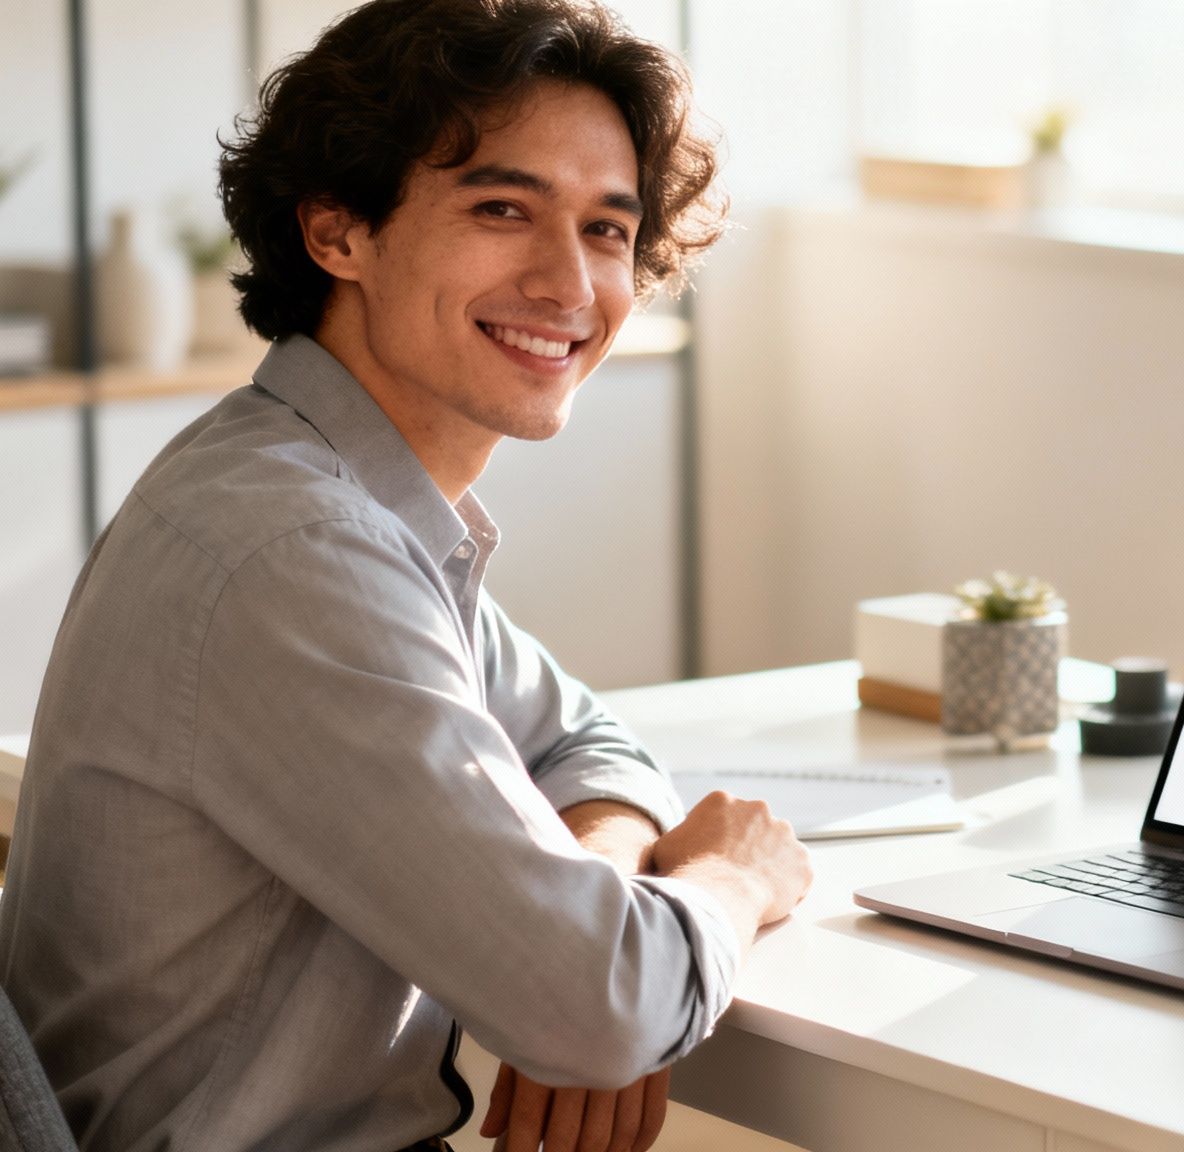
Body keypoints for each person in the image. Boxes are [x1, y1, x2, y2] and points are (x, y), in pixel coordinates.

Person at [0, 2, 811, 1149]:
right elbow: (600, 1008)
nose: (569, 285)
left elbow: (588, 745)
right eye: (501, 209)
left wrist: (599, 909)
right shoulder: (295, 550)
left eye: (605, 231)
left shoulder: (340, 497)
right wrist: (731, 878)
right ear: (337, 231)